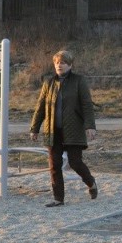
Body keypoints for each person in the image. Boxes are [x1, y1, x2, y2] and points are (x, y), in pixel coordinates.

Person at [30, 50, 97, 207]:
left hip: (73, 129)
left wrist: (90, 126)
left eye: (63, 62)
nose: (59, 65)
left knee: (75, 162)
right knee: (54, 165)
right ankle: (58, 198)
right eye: (57, 62)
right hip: (53, 131)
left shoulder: (79, 81)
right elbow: (40, 107)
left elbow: (87, 105)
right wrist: (34, 128)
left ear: (70, 64)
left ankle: (91, 183)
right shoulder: (48, 83)